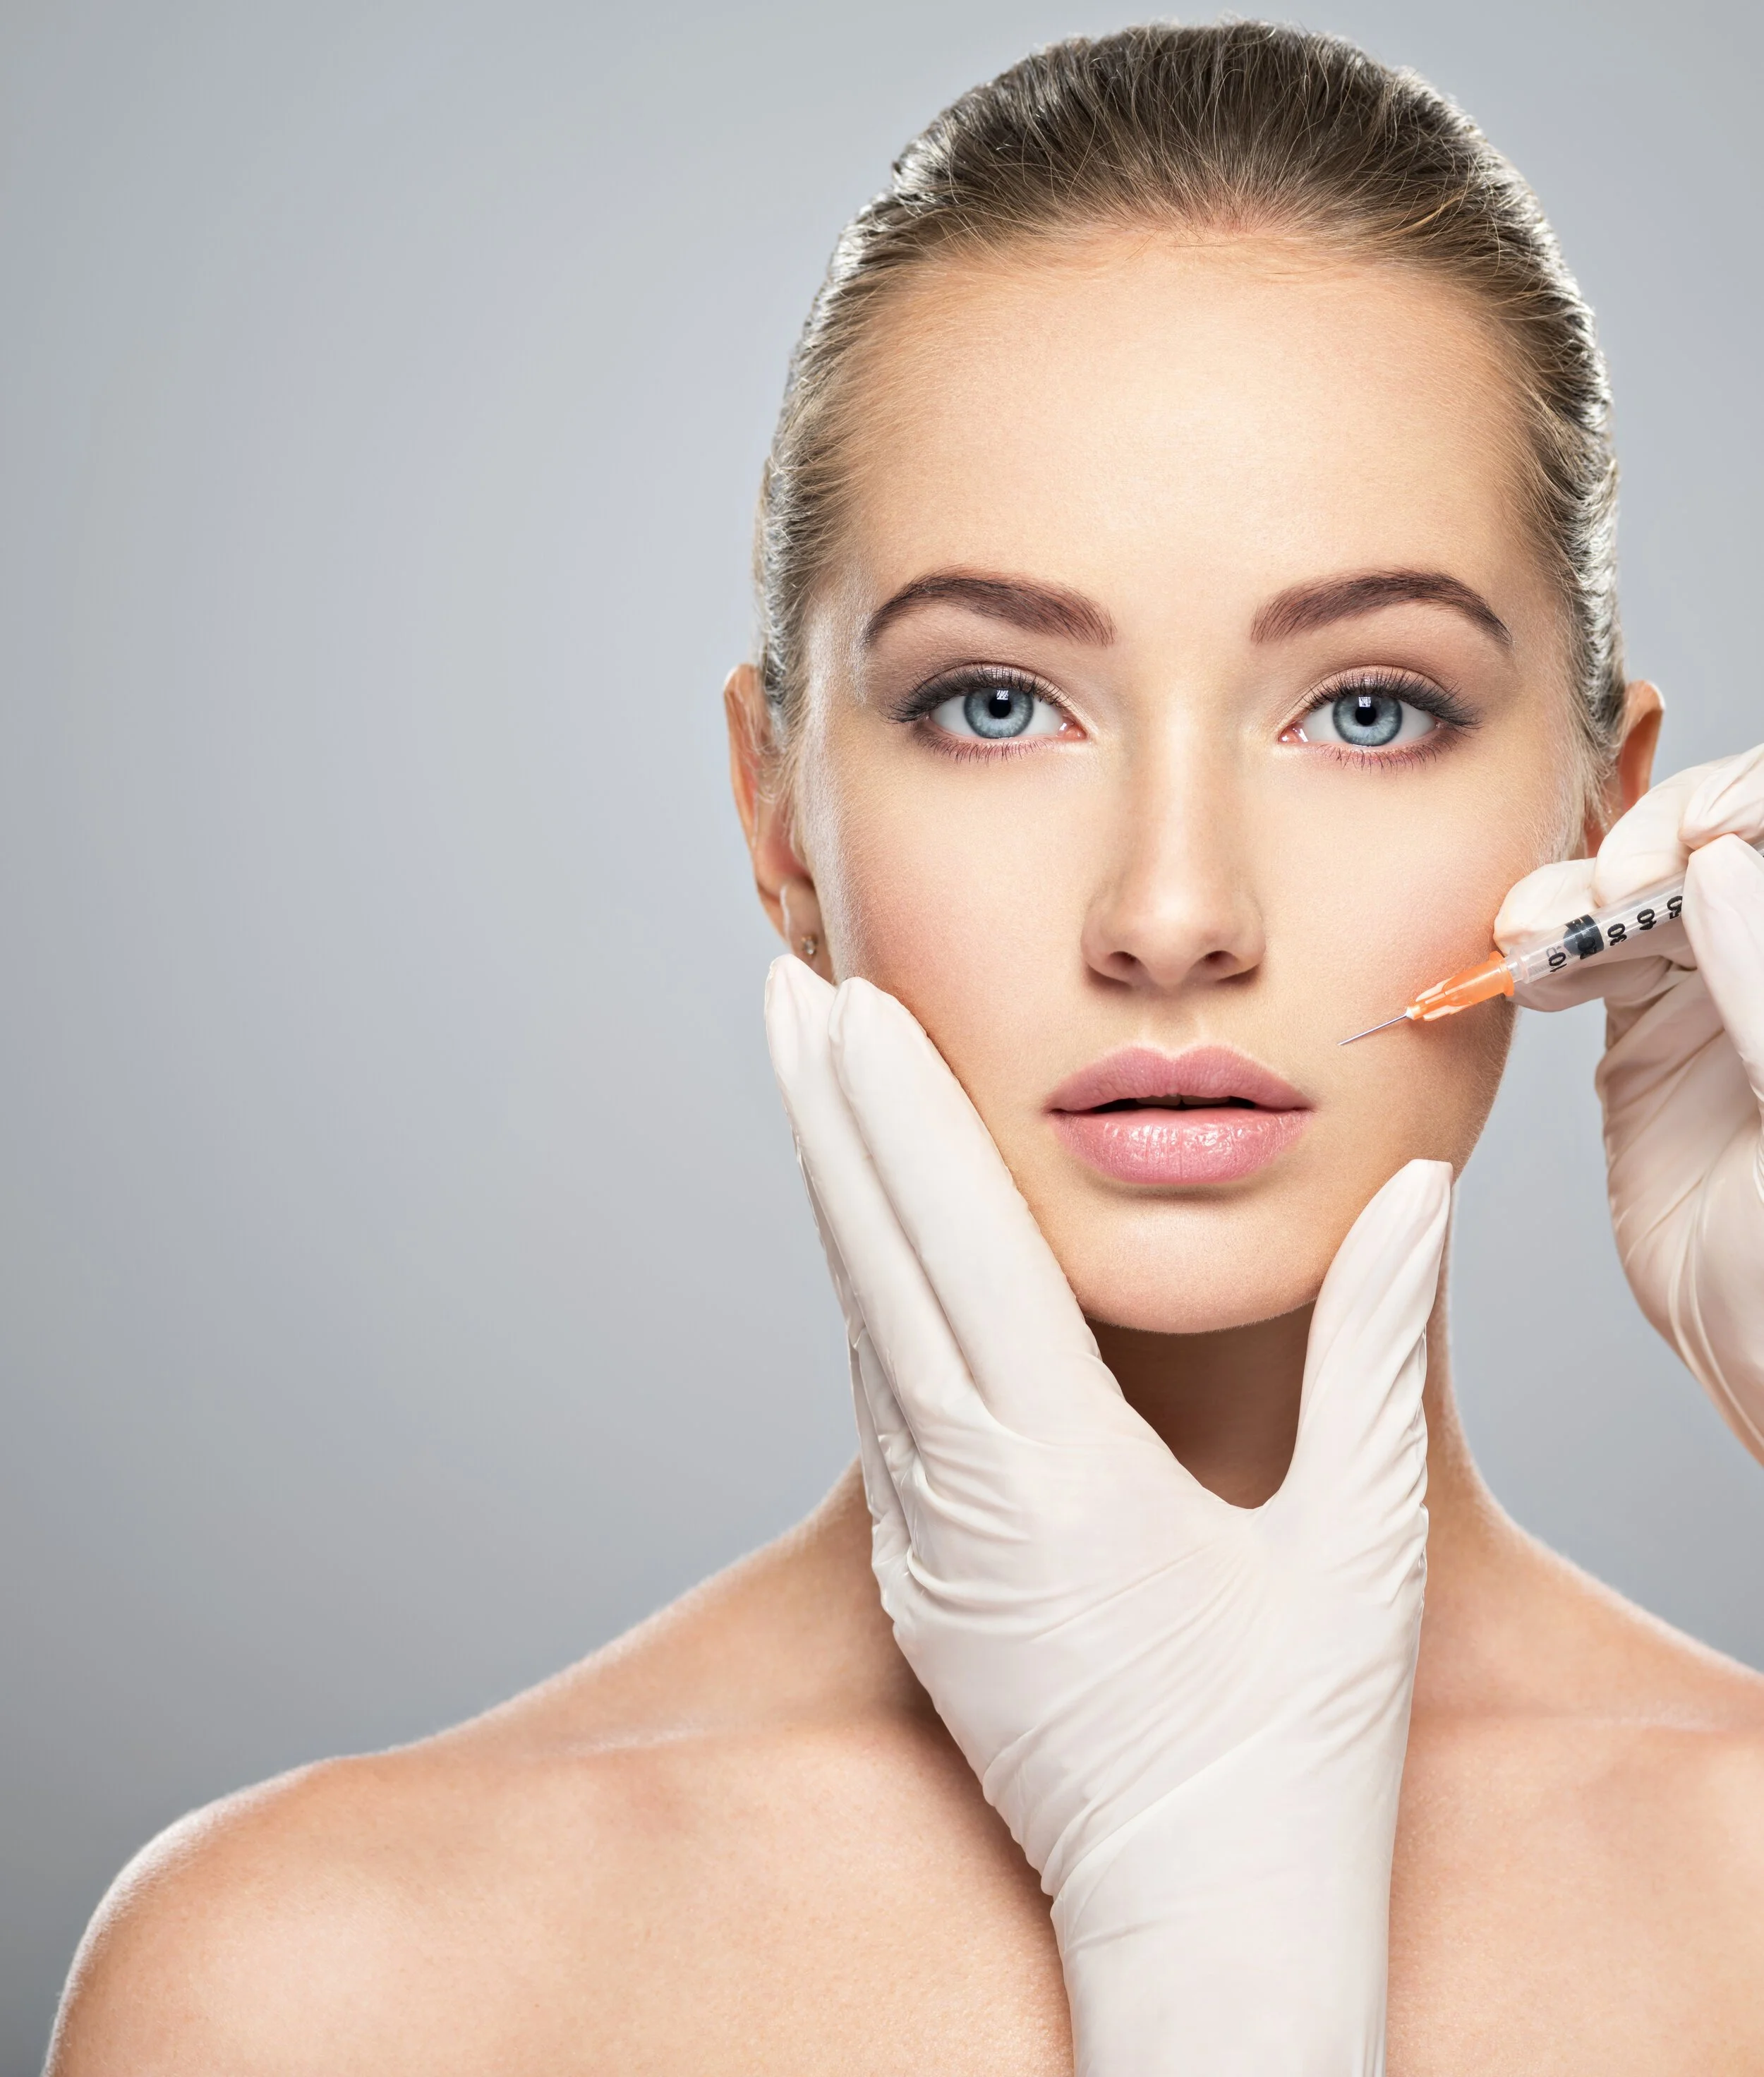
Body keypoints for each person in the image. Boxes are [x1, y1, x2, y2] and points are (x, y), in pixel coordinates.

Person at [47, 22, 1764, 2075]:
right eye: (995, 703)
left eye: (1368, 706)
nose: (1170, 912)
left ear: (1598, 826)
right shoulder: (326, 1982)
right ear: (779, 819)